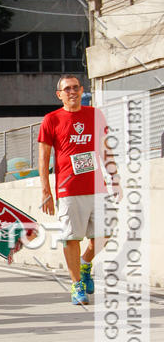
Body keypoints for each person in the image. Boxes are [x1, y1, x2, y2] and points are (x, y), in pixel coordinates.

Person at [38, 75, 120, 305]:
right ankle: (76, 285)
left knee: (105, 234)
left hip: (97, 188)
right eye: (67, 89)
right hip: (68, 190)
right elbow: (43, 159)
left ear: (81, 90)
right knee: (71, 238)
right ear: (59, 94)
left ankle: (85, 264)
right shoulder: (51, 119)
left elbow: (105, 149)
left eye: (75, 87)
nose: (72, 91)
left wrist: (115, 177)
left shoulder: (94, 114)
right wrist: (46, 192)